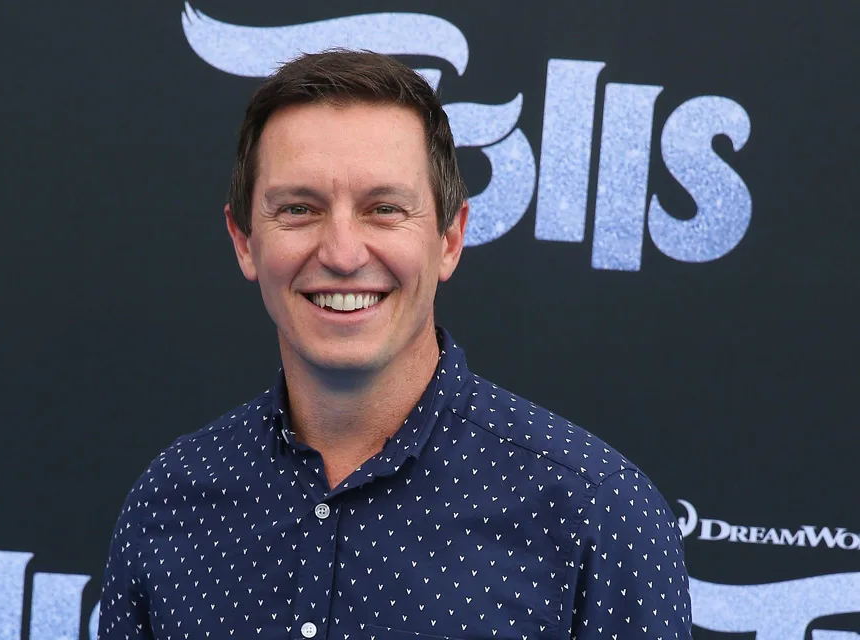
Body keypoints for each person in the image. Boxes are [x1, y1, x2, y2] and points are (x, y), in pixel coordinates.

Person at [98, 49, 692, 640]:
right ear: (244, 241)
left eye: (384, 209)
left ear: (450, 240)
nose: (342, 253)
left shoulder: (600, 515)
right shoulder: (169, 501)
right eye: (299, 209)